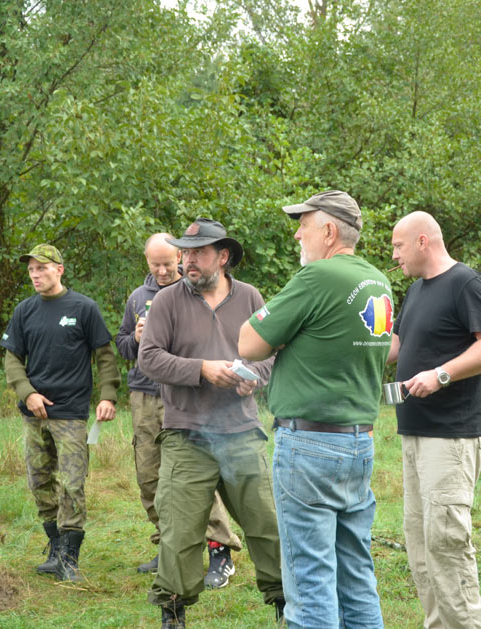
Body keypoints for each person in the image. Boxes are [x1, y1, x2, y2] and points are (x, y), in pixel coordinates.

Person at [239, 190, 393, 629]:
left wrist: (284, 338)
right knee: (356, 578)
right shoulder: (378, 282)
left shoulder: (318, 277)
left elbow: (248, 343)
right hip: (358, 443)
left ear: (328, 231)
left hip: (308, 445)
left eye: (303, 225)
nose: (297, 235)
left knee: (309, 587)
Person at [137, 218, 284, 628]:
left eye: (198, 252)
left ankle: (285, 603)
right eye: (185, 252)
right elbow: (149, 358)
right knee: (180, 532)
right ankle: (173, 611)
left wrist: (254, 378)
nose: (188, 260)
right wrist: (202, 369)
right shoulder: (167, 301)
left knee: (267, 524)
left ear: (223, 256)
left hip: (241, 432)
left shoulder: (250, 297)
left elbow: (272, 352)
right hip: (186, 434)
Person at [387, 212, 481, 629]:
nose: (394, 255)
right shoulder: (416, 290)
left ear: (423, 241)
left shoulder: (466, 283)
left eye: (398, 246)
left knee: (447, 545)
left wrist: (440, 375)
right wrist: (345, 346)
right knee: (421, 547)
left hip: (450, 436)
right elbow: (396, 345)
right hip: (414, 432)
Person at [115, 233, 243, 585]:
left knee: (198, 475)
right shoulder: (137, 298)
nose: (161, 271)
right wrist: (137, 338)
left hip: (189, 397)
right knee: (150, 475)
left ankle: (219, 550)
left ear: (180, 259)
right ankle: (169, 546)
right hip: (145, 397)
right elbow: (122, 345)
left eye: (168, 264)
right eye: (154, 264)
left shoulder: (199, 291)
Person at [1, 244, 121, 583]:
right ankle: (55, 549)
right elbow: (12, 359)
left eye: (42, 268)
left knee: (72, 482)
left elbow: (105, 357)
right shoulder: (24, 311)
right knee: (39, 481)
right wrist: (28, 393)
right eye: (31, 270)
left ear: (59, 269)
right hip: (34, 414)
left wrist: (108, 395)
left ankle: (70, 558)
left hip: (70, 414)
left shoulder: (84, 308)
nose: (35, 275)